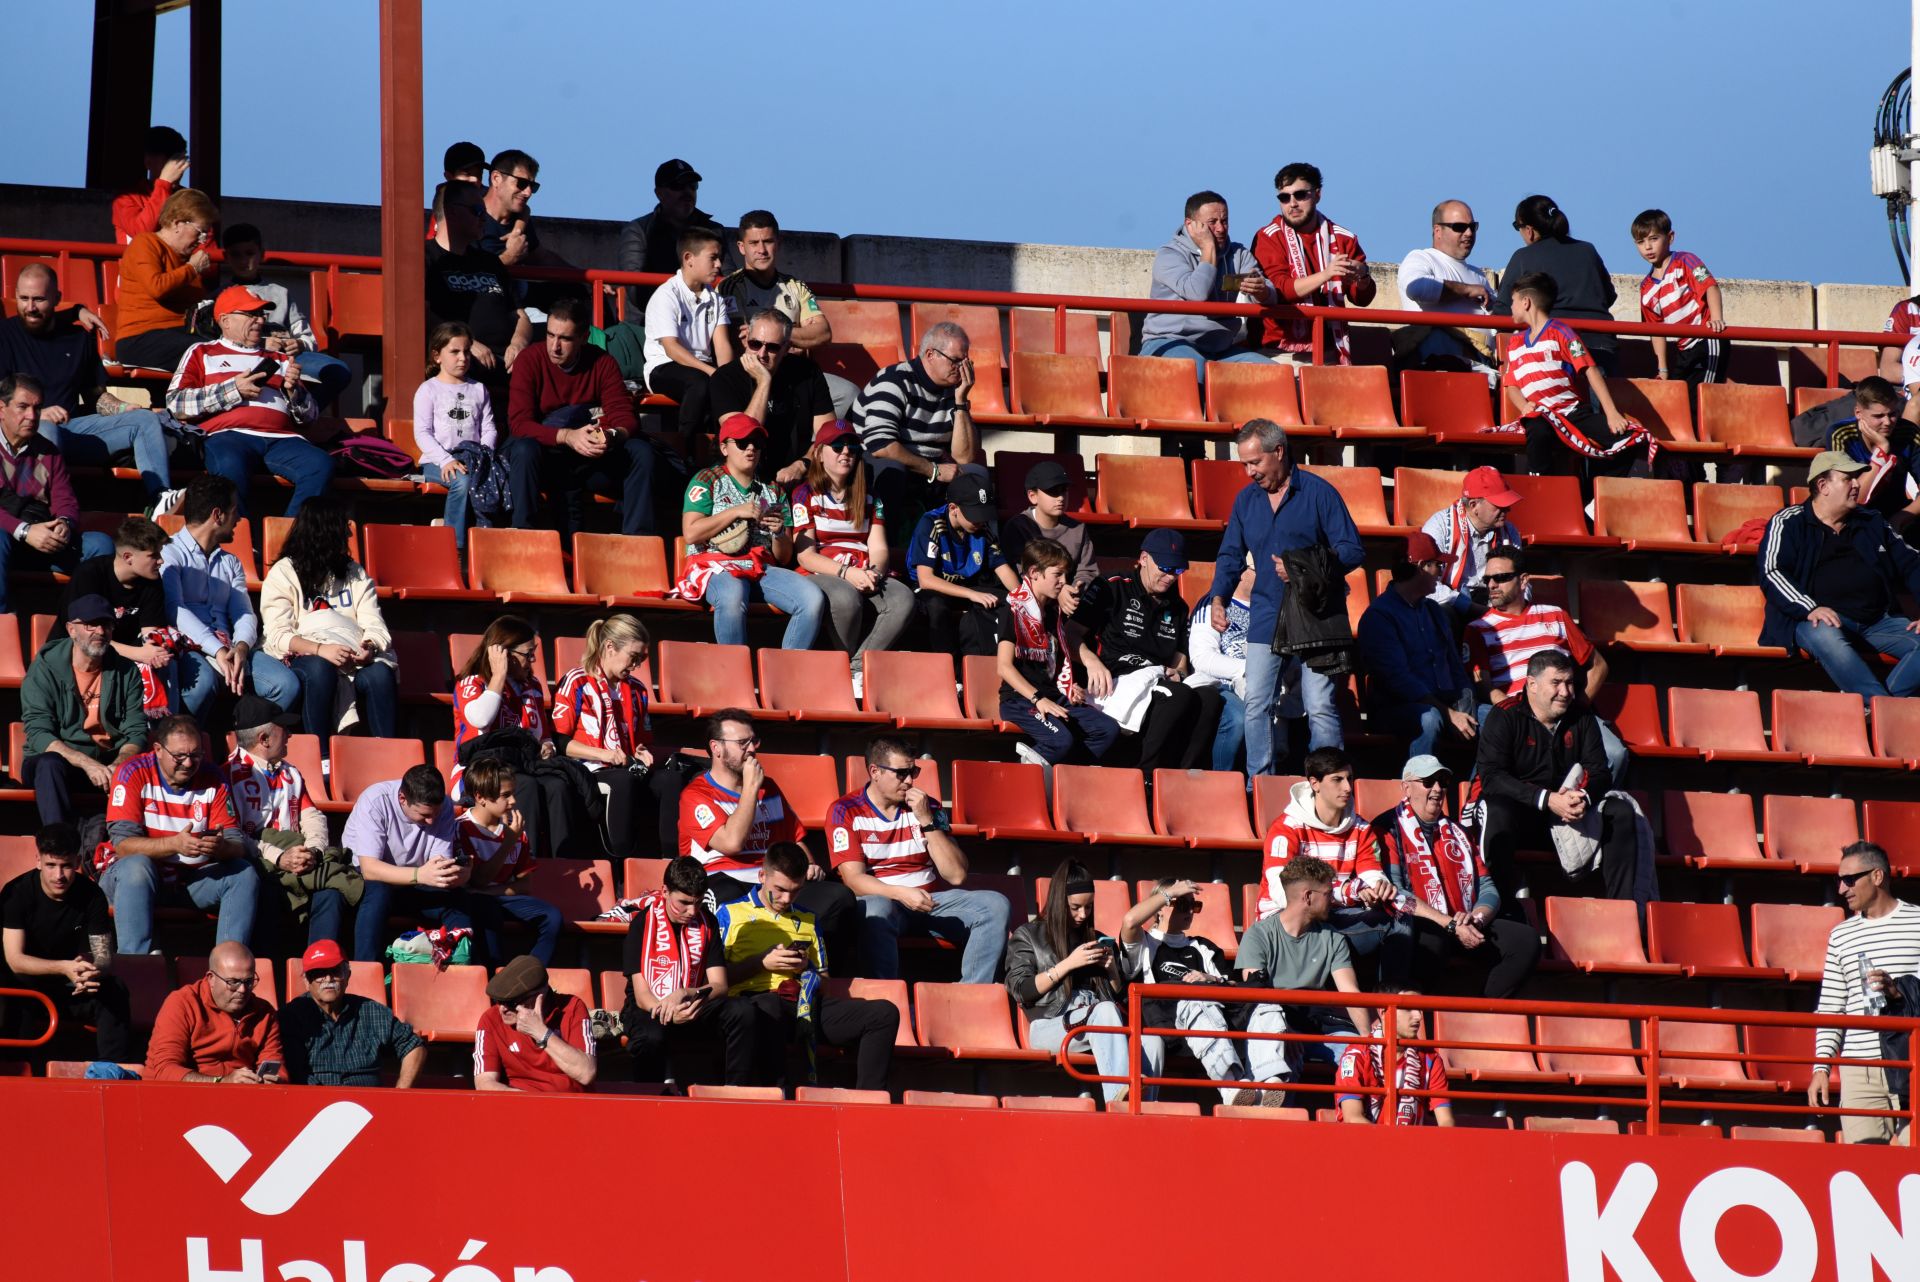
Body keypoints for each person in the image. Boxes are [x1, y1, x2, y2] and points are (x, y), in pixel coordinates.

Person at [1208, 420, 1364, 775]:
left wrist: (1302, 568)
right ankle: (1259, 786)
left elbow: (1352, 551)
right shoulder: (1246, 500)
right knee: (1257, 702)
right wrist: (1219, 597)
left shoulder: (1320, 493)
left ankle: (1329, 785)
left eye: (1255, 463)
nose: (1249, 472)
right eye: (1244, 464)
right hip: (1267, 611)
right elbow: (1230, 555)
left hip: (1317, 615)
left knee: (1320, 704)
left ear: (1279, 452)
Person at [1476, 651, 1657, 909]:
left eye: (1570, 683)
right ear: (1532, 684)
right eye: (1556, 683)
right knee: (1496, 810)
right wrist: (1547, 799)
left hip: (1567, 817)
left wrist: (1583, 798)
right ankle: (1500, 910)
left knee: (1621, 811)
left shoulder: (1581, 717)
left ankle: (1622, 913)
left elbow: (1600, 772)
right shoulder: (1505, 715)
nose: (1565, 691)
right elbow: (1492, 777)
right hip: (1522, 814)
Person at [714, 843, 900, 1093]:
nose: (786, 899)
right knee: (769, 1006)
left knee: (884, 1013)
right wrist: (761, 963)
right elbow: (717, 980)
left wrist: (805, 967)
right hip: (756, 1004)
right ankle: (779, 1093)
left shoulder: (809, 919)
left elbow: (825, 982)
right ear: (762, 876)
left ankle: (869, 1101)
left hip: (803, 1005)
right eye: (779, 890)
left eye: (795, 891)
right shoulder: (729, 914)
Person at [828, 736, 1012, 984]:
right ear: (875, 771)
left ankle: (971, 995)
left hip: (931, 902)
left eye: (913, 771)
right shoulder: (845, 810)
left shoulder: (929, 807)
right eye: (901, 773)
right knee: (875, 908)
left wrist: (927, 821)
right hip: (885, 902)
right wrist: (901, 893)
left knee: (995, 905)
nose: (909, 781)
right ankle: (885, 996)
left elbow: (956, 874)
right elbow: (853, 880)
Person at [1, 263, 182, 513]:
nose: (30, 307)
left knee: (144, 420)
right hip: (24, 431)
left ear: (56, 298)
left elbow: (94, 396)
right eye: (23, 298)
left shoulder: (78, 339)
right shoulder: (4, 334)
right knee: (46, 428)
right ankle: (44, 510)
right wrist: (37, 414)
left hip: (74, 428)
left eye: (39, 299)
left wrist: (124, 408)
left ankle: (161, 499)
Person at [680, 711, 856, 963]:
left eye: (754, 741)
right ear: (716, 748)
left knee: (840, 899)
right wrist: (750, 789)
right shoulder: (696, 795)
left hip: (772, 882)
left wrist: (807, 867)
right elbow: (731, 843)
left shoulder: (769, 788)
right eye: (743, 743)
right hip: (724, 882)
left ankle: (815, 977)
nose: (751, 749)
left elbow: (793, 840)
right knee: (727, 898)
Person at [345, 764, 562, 966]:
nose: (431, 821)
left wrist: (459, 875)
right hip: (374, 881)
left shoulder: (445, 807)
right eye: (424, 815)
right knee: (379, 894)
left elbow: (439, 863)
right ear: (402, 799)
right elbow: (370, 869)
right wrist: (421, 874)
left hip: (416, 884)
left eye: (436, 814)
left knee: (458, 901)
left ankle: (463, 967)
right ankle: (367, 969)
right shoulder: (376, 801)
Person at [1370, 756, 1539, 1000]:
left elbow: (1488, 887)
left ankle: (1484, 1013)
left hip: (1464, 922)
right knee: (1434, 941)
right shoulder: (1387, 828)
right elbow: (1395, 893)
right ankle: (1414, 1018)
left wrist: (1477, 919)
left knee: (1526, 941)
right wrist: (1448, 923)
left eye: (1443, 781)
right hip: (1419, 923)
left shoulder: (1457, 831)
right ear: (1406, 787)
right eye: (1428, 782)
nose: (1438, 789)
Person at [1758, 450, 1920, 699]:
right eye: (1848, 478)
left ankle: (1878, 709)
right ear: (1823, 485)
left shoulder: (1872, 521)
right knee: (1825, 634)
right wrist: (1809, 607)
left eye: (1857, 478)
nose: (1857, 484)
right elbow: (1772, 571)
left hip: (1877, 621)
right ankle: (1884, 711)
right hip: (1814, 620)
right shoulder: (1789, 522)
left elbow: (1912, 563)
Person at [167, 285, 336, 519]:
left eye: (261, 314)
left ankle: (292, 545)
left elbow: (310, 417)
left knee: (321, 464)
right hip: (228, 436)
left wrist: (294, 392)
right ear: (225, 321)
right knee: (228, 463)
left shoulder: (279, 358)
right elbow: (176, 404)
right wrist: (234, 390)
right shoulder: (202, 351)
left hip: (282, 439)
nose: (259, 320)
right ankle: (242, 543)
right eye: (250, 314)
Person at [98, 714, 259, 954]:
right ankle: (134, 966)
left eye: (195, 755)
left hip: (188, 881)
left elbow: (237, 843)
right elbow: (123, 845)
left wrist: (219, 847)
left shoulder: (214, 778)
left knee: (243, 873)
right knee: (137, 867)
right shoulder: (132, 772)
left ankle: (228, 968)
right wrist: (174, 844)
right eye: (179, 756)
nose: (188, 763)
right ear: (158, 750)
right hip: (132, 878)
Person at [1466, 547, 1629, 780]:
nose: (1492, 585)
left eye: (1500, 578)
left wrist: (1579, 705)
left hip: (1565, 711)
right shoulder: (1478, 629)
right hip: (1518, 716)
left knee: (1615, 754)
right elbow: (1482, 685)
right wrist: (1513, 710)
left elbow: (1599, 665)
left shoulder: (1556, 616)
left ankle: (1591, 811)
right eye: (1487, 579)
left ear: (1523, 581)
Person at [505, 296, 659, 541]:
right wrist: (566, 436)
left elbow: (625, 417)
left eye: (564, 339)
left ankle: (637, 541)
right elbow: (519, 423)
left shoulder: (602, 362)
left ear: (583, 338)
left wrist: (609, 436)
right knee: (523, 448)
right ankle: (524, 537)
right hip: (545, 455)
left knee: (640, 450)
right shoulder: (529, 359)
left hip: (588, 456)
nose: (555, 346)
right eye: (550, 335)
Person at [1076, 529, 1225, 773]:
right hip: (1116, 678)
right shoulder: (1112, 587)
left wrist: (1178, 672)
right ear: (1144, 558)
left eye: (1177, 571)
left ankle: (1182, 776)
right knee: (1175, 695)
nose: (1170, 577)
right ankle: (1143, 774)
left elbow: (1180, 662)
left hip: (1157, 678)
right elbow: (1071, 634)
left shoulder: (1177, 607)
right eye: (1164, 568)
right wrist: (1091, 661)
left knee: (1210, 698)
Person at [676, 414, 824, 650]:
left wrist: (778, 534)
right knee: (733, 594)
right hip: (714, 566)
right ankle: (735, 678)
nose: (751, 448)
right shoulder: (707, 479)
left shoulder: (773, 488)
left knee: (811, 598)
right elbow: (692, 533)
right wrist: (735, 512)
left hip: (759, 569)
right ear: (724, 448)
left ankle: (786, 676)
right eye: (743, 443)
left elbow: (784, 556)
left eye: (757, 443)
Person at [259, 496, 397, 744]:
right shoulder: (284, 572)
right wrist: (321, 650)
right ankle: (320, 753)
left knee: (380, 674)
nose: (347, 536)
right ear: (324, 534)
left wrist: (369, 647)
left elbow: (375, 624)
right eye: (341, 530)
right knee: (320, 669)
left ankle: (387, 750)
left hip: (352, 654)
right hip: (305, 655)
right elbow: (278, 635)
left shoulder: (354, 572)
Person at [160, 474, 301, 716]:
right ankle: (189, 746)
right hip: (188, 646)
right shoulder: (169, 553)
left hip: (230, 646)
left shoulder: (231, 562)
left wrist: (242, 646)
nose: (238, 519)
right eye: (234, 511)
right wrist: (217, 650)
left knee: (286, 685)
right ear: (217, 515)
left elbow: (244, 611)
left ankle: (249, 744)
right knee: (201, 686)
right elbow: (175, 610)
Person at [790, 420, 913, 694]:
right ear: (820, 453)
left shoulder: (870, 497)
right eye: (837, 446)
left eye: (852, 447)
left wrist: (875, 572)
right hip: (823, 572)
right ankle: (842, 670)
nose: (846, 451)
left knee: (903, 598)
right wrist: (847, 574)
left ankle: (854, 668)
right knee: (846, 598)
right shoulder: (805, 494)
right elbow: (806, 556)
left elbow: (879, 549)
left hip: (863, 568)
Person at [1808, 842, 1918, 1145]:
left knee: (1912, 1162)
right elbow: (1832, 1005)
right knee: (1866, 1163)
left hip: (1911, 1063)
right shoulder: (1841, 934)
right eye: (1839, 881)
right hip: (1858, 1068)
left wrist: (1899, 990)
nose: (1842, 889)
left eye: (1849, 879)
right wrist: (1821, 1067)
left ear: (1878, 877)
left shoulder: (1918, 922)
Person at [225, 694, 354, 950]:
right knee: (269, 895)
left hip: (300, 859)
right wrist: (279, 857)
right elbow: (233, 836)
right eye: (284, 729)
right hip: (261, 864)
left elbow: (311, 815)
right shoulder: (225, 776)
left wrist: (313, 851)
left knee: (331, 894)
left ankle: (320, 968)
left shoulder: (290, 771)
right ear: (263, 739)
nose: (290, 736)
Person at [552, 613, 686, 858]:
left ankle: (670, 862)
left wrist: (641, 751)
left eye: (642, 659)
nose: (636, 666)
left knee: (671, 780)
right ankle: (621, 863)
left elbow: (642, 739)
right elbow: (560, 742)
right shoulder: (576, 681)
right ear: (610, 647)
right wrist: (605, 754)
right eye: (633, 658)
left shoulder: (637, 690)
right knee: (623, 782)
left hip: (626, 767)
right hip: (588, 769)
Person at [1238, 856, 1374, 1095]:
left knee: (1356, 1058)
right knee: (1281, 1063)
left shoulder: (1332, 938)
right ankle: (1280, 1124)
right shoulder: (1258, 935)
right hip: (1279, 1024)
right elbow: (1256, 995)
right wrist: (1285, 1032)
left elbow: (1350, 993)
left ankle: (1359, 1123)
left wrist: (1367, 1040)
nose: (1332, 900)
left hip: (1321, 1026)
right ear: (1308, 896)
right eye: (1327, 893)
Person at [1118, 877, 1260, 1107]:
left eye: (1194, 906)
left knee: (1265, 1008)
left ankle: (1266, 1086)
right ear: (1161, 909)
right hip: (1167, 1025)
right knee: (1195, 1002)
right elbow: (1130, 921)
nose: (1190, 912)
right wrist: (1169, 892)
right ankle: (1231, 1086)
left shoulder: (1203, 947)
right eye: (1182, 905)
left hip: (1213, 1024)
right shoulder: (1145, 944)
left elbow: (1236, 990)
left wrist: (1210, 979)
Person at [452, 618, 583, 862]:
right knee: (525, 786)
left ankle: (563, 862)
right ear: (503, 653)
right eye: (527, 654)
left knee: (558, 786)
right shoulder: (473, 681)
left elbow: (541, 733)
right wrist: (498, 676)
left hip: (524, 764)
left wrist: (547, 746)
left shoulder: (531, 685)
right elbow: (480, 719)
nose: (532, 661)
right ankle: (524, 859)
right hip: (481, 770)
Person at [1501, 272, 1649, 487]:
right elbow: (1511, 386)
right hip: (1540, 416)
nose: (1511, 307)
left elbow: (1590, 370)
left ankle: (1593, 496)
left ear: (1526, 302)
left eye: (1513, 301)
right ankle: (1540, 490)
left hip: (1572, 413)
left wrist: (1611, 413)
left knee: (1631, 439)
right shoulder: (1514, 343)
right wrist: (1524, 406)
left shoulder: (1561, 331)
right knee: (1539, 432)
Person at [0, 823, 130, 1064]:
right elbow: (15, 961)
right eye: (51, 865)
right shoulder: (17, 893)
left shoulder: (92, 895)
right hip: (22, 989)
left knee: (114, 990)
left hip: (68, 987)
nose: (59, 876)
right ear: (38, 861)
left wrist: (92, 971)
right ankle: (13, 1071)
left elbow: (103, 956)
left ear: (78, 862)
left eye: (66, 866)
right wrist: (64, 967)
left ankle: (113, 1071)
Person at [1006, 859, 1132, 1106]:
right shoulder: (1028, 935)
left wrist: (1113, 972)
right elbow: (1021, 990)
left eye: (1088, 907)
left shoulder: (1097, 939)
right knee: (1104, 1012)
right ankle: (1120, 1103)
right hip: (1048, 1025)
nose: (1082, 915)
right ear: (1058, 901)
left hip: (1097, 1021)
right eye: (1075, 907)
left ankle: (1143, 1111)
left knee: (1151, 1041)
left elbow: (1121, 1002)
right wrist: (1068, 964)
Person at [19, 596, 146, 828]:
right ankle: (61, 851)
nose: (100, 631)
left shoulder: (126, 671)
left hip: (108, 763)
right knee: (49, 764)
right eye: (90, 624)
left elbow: (136, 730)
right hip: (61, 764)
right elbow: (39, 733)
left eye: (106, 624)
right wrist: (86, 763)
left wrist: (119, 764)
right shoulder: (44, 668)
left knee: (151, 761)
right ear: (71, 629)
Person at [718, 210, 858, 416]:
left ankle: (816, 445)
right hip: (752, 371)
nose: (762, 250)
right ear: (741, 247)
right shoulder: (729, 287)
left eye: (768, 241)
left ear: (778, 243)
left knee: (850, 394)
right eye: (754, 243)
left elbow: (823, 332)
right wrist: (796, 339)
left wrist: (783, 337)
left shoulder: (795, 286)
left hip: (793, 371)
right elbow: (743, 340)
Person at [1257, 750, 1394, 958]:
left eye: (1349, 779)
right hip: (1285, 920)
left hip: (1333, 914)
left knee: (1399, 921)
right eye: (1337, 780)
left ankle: (1394, 991)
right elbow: (1283, 894)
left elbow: (1371, 874)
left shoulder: (1361, 828)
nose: (1348, 788)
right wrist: (1347, 892)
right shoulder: (1286, 828)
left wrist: (1377, 890)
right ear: (1314, 783)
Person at [852, 321, 981, 542]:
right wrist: (932, 470)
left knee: (976, 476)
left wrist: (961, 401)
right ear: (930, 354)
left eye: (965, 361)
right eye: (956, 360)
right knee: (892, 471)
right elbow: (881, 446)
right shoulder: (893, 380)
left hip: (927, 467)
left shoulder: (954, 390)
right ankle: (887, 552)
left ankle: (963, 560)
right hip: (876, 463)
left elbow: (964, 456)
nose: (962, 368)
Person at [997, 539, 1120, 768]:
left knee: (1106, 729)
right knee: (1060, 739)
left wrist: (1069, 686)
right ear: (1034, 572)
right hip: (1021, 700)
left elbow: (1057, 660)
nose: (1064, 582)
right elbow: (1004, 667)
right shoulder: (1013, 609)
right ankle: (1020, 775)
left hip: (1053, 695)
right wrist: (1037, 698)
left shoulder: (1053, 614)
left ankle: (1065, 776)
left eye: (1067, 575)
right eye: (1058, 575)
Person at [1356, 533, 1477, 759]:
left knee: (1497, 718)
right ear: (1421, 567)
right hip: (1398, 709)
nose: (1441, 573)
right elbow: (1398, 681)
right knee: (1429, 719)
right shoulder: (1379, 616)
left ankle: (1477, 790)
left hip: (1446, 704)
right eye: (1438, 565)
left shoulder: (1435, 611)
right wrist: (1448, 713)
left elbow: (1455, 666)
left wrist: (1465, 707)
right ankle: (1418, 786)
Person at [620, 854, 737, 1088]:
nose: (692, 911)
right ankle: (648, 1101)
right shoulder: (642, 923)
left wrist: (687, 993)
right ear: (664, 892)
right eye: (684, 902)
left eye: (698, 902)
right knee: (651, 1036)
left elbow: (720, 985)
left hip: (693, 1003)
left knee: (742, 1012)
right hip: (650, 1007)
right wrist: (670, 1012)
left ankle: (737, 1090)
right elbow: (642, 996)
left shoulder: (707, 922)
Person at [0, 375, 112, 610]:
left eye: (37, 407)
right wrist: (25, 531)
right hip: (10, 538)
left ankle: (82, 622)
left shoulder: (48, 451)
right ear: (2, 408)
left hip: (42, 538)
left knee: (100, 544)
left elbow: (65, 498)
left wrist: (64, 523)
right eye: (23, 407)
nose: (32, 416)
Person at [1138, 190, 1274, 381]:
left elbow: (1271, 295)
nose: (1220, 228)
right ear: (1190, 225)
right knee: (1195, 369)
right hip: (1170, 342)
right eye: (1212, 223)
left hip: (1220, 349)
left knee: (1273, 374)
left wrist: (1262, 291)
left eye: (1224, 221)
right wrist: (1208, 248)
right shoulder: (1169, 255)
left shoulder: (1238, 253)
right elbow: (1197, 292)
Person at [1251, 163, 1376, 365]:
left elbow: (1362, 298)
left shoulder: (1344, 238)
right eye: (1284, 197)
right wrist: (1326, 274)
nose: (1292, 203)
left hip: (1331, 349)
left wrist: (1363, 277)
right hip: (1279, 351)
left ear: (1317, 195)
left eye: (1300, 195)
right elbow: (1280, 290)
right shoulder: (1268, 237)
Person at [218, 224, 354, 405]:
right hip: (245, 357)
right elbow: (216, 341)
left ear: (262, 254)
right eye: (236, 254)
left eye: (249, 253)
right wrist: (262, 342)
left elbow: (308, 338)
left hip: (289, 357)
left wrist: (298, 344)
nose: (244, 260)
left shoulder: (280, 293)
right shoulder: (220, 296)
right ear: (226, 257)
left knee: (338, 371)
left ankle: (305, 414)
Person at [1494, 195, 1621, 375]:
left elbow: (1503, 312)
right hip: (1600, 346)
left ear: (1529, 230)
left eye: (1518, 227)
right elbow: (1609, 296)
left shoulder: (1523, 257)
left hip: (1554, 349)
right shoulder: (1588, 250)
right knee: (1599, 401)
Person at [424, 185, 532, 392]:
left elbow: (520, 315)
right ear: (451, 211)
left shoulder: (490, 262)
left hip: (507, 365)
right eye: (477, 211)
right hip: (461, 366)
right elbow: (420, 312)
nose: (484, 218)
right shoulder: (427, 258)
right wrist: (467, 344)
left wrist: (518, 344)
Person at [279, 939, 427, 1088]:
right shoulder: (292, 1016)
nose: (328, 979)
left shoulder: (371, 1011)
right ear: (306, 981)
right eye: (319, 973)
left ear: (348, 975)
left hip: (370, 1104)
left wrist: (401, 1093)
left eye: (335, 971)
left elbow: (414, 1046)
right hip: (315, 1102)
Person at [708, 309, 834, 484]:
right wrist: (764, 382)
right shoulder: (725, 378)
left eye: (773, 347)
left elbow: (828, 434)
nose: (762, 354)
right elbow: (743, 436)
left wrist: (802, 464)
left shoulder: (807, 373)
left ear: (786, 348)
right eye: (755, 344)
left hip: (796, 475)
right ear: (745, 341)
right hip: (742, 480)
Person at [59, 517, 173, 700]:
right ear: (128, 557)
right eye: (154, 556)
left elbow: (151, 633)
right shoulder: (89, 575)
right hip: (81, 651)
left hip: (124, 655)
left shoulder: (152, 582)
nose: (161, 561)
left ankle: (166, 725)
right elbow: (84, 639)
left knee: (166, 662)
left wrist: (154, 651)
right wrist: (140, 654)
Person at [909, 472, 1017, 659]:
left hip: (966, 586)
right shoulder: (931, 523)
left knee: (1008, 600)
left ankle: (992, 661)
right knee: (937, 608)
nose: (980, 522)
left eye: (983, 516)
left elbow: (1003, 569)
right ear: (953, 508)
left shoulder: (982, 529)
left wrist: (1023, 597)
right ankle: (949, 670)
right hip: (933, 589)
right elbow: (925, 579)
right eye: (974, 516)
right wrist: (972, 594)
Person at [412, 322, 500, 550]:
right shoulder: (428, 389)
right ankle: (454, 548)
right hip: (438, 461)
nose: (463, 358)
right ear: (437, 356)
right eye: (455, 352)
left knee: (492, 481)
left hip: (473, 458)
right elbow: (422, 432)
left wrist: (484, 454)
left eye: (467, 351)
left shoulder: (479, 389)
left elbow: (489, 428)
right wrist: (446, 460)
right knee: (460, 482)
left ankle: (486, 545)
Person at [144, 941, 283, 1084]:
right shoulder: (182, 1003)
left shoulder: (264, 1013)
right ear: (211, 978)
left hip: (243, 1098)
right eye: (233, 982)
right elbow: (165, 1070)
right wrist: (221, 1082)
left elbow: (277, 1066)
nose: (242, 990)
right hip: (180, 1097)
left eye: (248, 982)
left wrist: (273, 1081)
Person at [643, 226, 737, 435]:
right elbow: (671, 349)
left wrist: (727, 376)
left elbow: (722, 345)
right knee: (700, 384)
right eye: (713, 258)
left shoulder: (716, 298)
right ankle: (685, 449)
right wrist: (713, 373)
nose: (719, 265)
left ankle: (725, 448)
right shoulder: (666, 295)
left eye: (719, 258)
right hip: (664, 367)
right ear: (689, 258)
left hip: (701, 368)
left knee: (735, 384)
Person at [113, 187, 216, 372]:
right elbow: (156, 287)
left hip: (179, 335)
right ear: (177, 223)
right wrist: (192, 268)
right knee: (205, 352)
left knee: (225, 349)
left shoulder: (186, 261)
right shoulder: (145, 243)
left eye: (205, 235)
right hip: (141, 338)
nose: (201, 241)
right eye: (199, 232)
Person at [1396, 200, 1499, 378]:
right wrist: (1466, 290)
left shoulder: (1479, 275)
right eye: (1459, 227)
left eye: (1473, 227)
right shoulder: (1421, 258)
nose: (1468, 233)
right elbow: (1415, 287)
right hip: (1440, 362)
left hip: (1481, 364)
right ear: (1438, 231)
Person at [474, 954, 597, 1093]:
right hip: (518, 1105)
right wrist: (531, 1104)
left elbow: (586, 1073)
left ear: (540, 995)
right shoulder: (490, 1019)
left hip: (570, 1105)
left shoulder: (572, 1008)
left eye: (511, 1003)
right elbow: (483, 1084)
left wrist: (541, 1033)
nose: (502, 1008)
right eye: (498, 1001)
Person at [617, 158, 726, 315]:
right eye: (677, 186)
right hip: (648, 325)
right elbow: (637, 292)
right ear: (659, 193)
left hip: (705, 320)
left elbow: (728, 282)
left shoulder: (714, 230)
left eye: (692, 186)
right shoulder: (638, 231)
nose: (687, 192)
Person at [1632, 209, 1727, 387]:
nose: (1648, 247)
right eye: (1640, 242)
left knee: (1701, 396)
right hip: (1684, 349)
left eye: (1654, 239)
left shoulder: (1685, 261)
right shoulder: (1646, 288)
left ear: (1670, 237)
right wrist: (1662, 369)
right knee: (1679, 397)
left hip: (1706, 340)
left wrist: (1716, 319)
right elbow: (1656, 330)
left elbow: (1710, 286)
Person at [1419, 465, 1523, 619]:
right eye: (1499, 505)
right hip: (1452, 603)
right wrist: (1471, 608)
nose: (1507, 509)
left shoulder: (1510, 531)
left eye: (1507, 504)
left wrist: (1519, 605)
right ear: (1474, 505)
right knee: (1444, 613)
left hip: (1494, 599)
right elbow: (1426, 582)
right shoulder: (1439, 526)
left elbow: (1519, 577)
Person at [1335, 991, 1453, 1126]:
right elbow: (1353, 1119)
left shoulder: (1431, 1059)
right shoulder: (1356, 1055)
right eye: (1408, 1008)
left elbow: (1446, 1121)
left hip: (1412, 1144)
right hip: (1365, 1143)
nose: (1418, 1016)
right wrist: (1391, 1144)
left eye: (1420, 1008)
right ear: (1384, 1013)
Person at [1823, 378, 1920, 541]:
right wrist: (1881, 452)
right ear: (1858, 413)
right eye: (1878, 416)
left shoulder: (1909, 432)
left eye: (1893, 414)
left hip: (1896, 514)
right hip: (1852, 516)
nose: (1887, 422)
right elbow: (1849, 498)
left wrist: (1902, 517)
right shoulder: (1841, 435)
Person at [998, 458, 1098, 610]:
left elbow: (1087, 571)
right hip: (1030, 604)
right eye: (1052, 491)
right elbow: (1021, 574)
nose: (1060, 498)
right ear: (1033, 496)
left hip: (1070, 602)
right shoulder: (1018, 527)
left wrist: (1074, 590)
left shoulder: (1077, 528)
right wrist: (1059, 591)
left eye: (1064, 490)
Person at [1187, 562, 1255, 772]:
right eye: (1260, 569)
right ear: (1241, 573)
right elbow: (1202, 658)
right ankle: (1221, 783)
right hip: (1218, 685)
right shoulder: (1213, 605)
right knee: (1237, 719)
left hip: (1261, 685)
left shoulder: (1272, 607)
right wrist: (1248, 669)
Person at [112, 125, 190, 244]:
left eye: (181, 159)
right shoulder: (126, 199)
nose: (177, 167)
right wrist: (164, 184)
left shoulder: (191, 200)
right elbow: (141, 232)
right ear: (148, 161)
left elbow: (206, 251)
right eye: (169, 159)